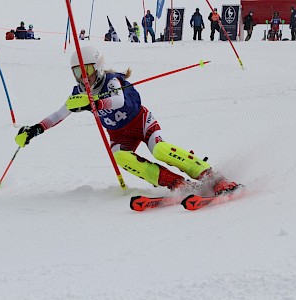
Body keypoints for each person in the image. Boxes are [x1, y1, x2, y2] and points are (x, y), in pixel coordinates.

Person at [14, 46, 239, 195]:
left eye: (88, 70)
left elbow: (119, 100)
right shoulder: (79, 92)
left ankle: (212, 176)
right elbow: (59, 114)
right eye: (77, 72)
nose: (84, 77)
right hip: (119, 134)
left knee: (160, 150)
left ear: (99, 68)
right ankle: (178, 184)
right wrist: (36, 129)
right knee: (120, 156)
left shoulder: (112, 81)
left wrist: (95, 104)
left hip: (141, 122)